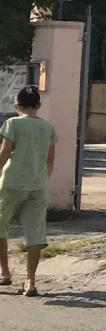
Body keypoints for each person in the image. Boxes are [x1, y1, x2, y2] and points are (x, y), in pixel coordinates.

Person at [0, 85, 57, 297]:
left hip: (11, 183)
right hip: (37, 185)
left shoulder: (12, 123)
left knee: (0, 226)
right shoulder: (48, 127)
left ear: (17, 105)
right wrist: (42, 179)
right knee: (35, 232)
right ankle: (30, 281)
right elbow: (50, 160)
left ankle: (4, 273)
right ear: (38, 105)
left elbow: (5, 152)